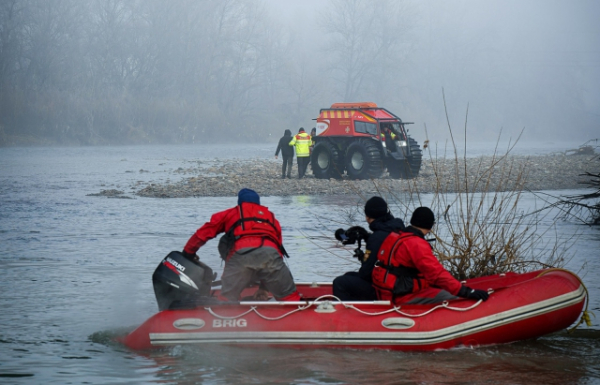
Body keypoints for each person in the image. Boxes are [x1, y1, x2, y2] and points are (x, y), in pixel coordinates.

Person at [182, 188, 301, 302]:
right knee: (290, 298)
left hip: (240, 256)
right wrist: (264, 288)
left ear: (240, 203)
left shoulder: (232, 213)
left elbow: (204, 233)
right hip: (270, 256)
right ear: (258, 203)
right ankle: (302, 315)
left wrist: (188, 252)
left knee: (226, 300)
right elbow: (278, 251)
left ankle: (223, 317)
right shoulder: (272, 219)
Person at [372, 207, 490, 304]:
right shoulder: (416, 244)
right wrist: (466, 292)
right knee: (455, 299)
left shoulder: (396, 236)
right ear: (430, 226)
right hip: (402, 297)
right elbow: (436, 274)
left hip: (386, 292)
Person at [332, 196, 406, 301]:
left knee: (339, 282)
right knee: (349, 276)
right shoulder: (397, 229)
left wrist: (364, 258)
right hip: (398, 282)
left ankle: (352, 314)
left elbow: (365, 273)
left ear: (368, 217)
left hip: (385, 288)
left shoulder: (377, 238)